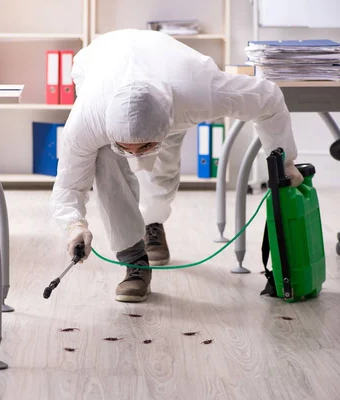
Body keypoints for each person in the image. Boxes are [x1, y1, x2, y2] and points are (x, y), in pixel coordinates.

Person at [49, 29, 304, 303]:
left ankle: (153, 222)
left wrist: (286, 161)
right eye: (126, 147)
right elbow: (70, 182)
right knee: (106, 161)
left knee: (163, 173)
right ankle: (135, 261)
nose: (134, 155)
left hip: (174, 77)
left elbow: (269, 99)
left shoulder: (202, 92)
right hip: (98, 60)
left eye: (145, 146)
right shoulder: (88, 119)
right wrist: (74, 224)